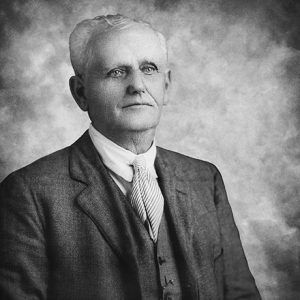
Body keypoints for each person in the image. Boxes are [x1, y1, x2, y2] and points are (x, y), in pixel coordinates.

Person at [0, 14, 261, 300]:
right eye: (116, 72)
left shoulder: (204, 178)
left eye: (149, 69)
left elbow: (241, 295)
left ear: (167, 86)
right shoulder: (29, 192)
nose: (137, 85)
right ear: (80, 92)